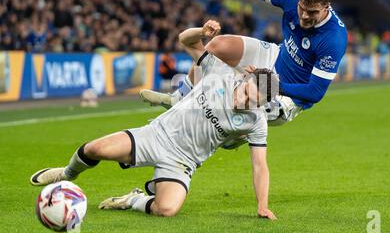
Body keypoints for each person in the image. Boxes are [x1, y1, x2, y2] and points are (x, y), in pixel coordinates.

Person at [30, 20, 278, 220]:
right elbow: (185, 39)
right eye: (246, 93)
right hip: (156, 135)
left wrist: (263, 205)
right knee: (94, 149)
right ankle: (66, 173)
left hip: (183, 161)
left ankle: (133, 199)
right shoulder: (220, 72)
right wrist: (201, 32)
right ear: (246, 78)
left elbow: (260, 165)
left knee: (167, 210)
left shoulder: (256, 121)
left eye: (252, 102)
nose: (243, 102)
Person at [141, 0, 348, 126]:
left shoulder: (334, 39)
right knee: (217, 45)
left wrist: (270, 86)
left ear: (326, 7)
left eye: (312, 13)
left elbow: (315, 92)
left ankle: (202, 132)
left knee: (230, 104)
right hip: (275, 56)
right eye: (302, 8)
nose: (303, 16)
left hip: (287, 97)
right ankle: (178, 98)